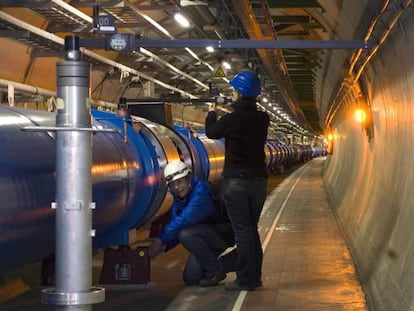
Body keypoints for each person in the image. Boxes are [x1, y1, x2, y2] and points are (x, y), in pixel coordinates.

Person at [205, 70, 270, 291]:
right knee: (251, 230)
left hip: (236, 182)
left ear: (238, 92)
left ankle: (245, 280)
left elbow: (212, 132)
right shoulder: (263, 118)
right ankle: (255, 277)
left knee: (243, 232)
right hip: (259, 181)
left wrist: (212, 112)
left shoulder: (232, 119)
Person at [148, 160, 236, 287]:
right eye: (173, 185)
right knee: (192, 277)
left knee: (186, 234)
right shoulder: (180, 198)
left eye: (180, 182)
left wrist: (160, 239)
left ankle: (215, 271)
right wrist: (165, 246)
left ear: (189, 179)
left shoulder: (201, 191)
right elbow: (176, 224)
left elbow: (185, 219)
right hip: (205, 237)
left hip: (223, 233)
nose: (177, 188)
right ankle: (235, 260)